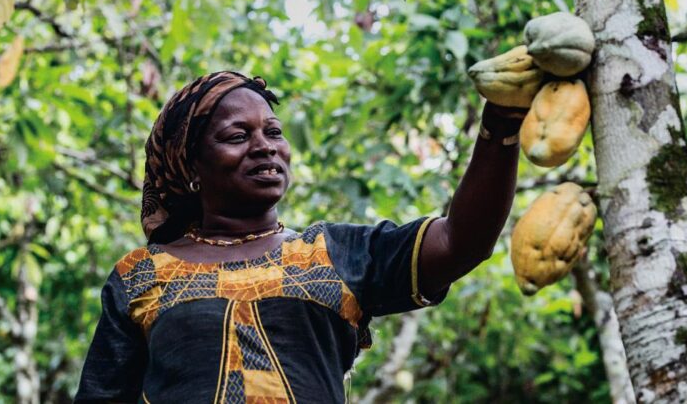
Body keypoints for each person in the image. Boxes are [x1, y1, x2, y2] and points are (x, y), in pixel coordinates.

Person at [75, 71, 525, 403]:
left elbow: (461, 242)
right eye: (237, 135)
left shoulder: (332, 253)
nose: (265, 145)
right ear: (191, 167)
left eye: (273, 132)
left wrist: (500, 124)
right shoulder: (142, 275)